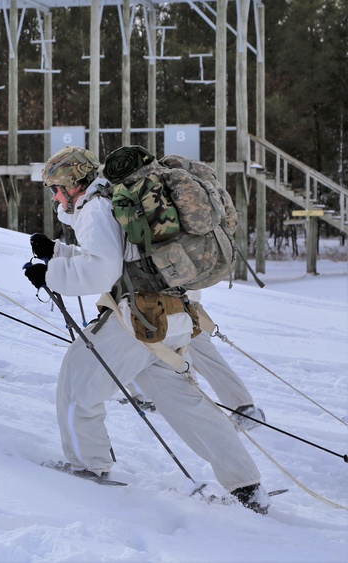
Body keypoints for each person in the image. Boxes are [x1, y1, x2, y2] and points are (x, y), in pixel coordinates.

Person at [24, 146, 269, 513]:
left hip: (139, 318)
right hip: (171, 317)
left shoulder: (95, 209)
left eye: (57, 188)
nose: (56, 196)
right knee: (186, 404)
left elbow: (102, 270)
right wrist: (58, 253)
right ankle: (246, 485)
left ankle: (87, 467)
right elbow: (121, 256)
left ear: (76, 183)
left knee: (79, 379)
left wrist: (50, 275)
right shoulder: (115, 200)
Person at [51, 186, 266, 430]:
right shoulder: (119, 199)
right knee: (158, 343)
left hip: (165, 289)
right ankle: (153, 395)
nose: (58, 202)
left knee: (191, 346)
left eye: (58, 194)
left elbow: (110, 256)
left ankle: (241, 407)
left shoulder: (100, 207)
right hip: (170, 282)